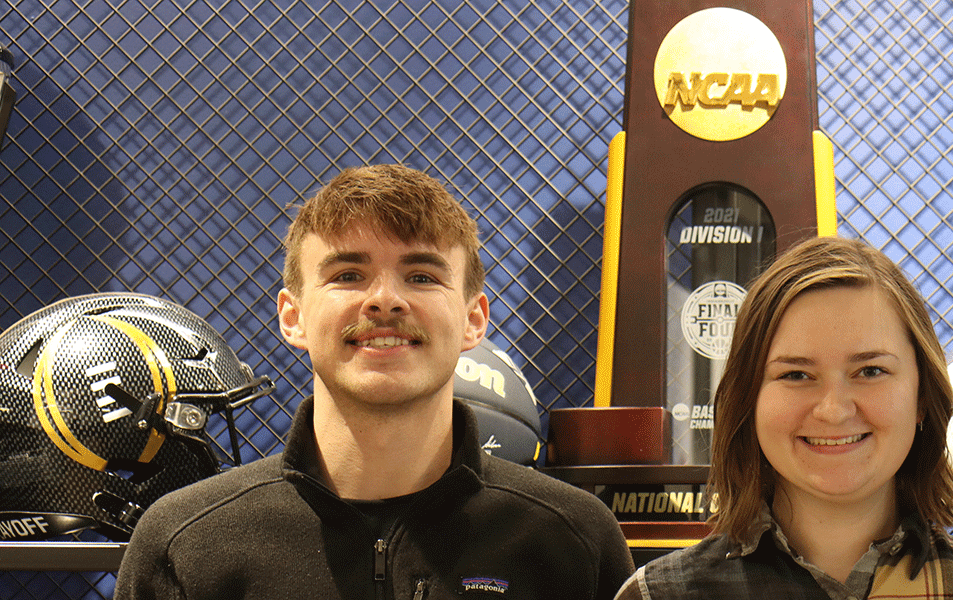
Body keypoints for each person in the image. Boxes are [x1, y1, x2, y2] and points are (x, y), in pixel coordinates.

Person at [115, 164, 635, 599]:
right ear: (292, 317)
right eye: (347, 275)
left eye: (422, 276)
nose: (385, 299)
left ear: (474, 319)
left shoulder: (572, 540)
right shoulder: (184, 546)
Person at [615, 236, 953, 600]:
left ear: (922, 395)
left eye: (871, 371)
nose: (834, 409)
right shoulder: (658, 596)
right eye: (796, 374)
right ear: (749, 399)